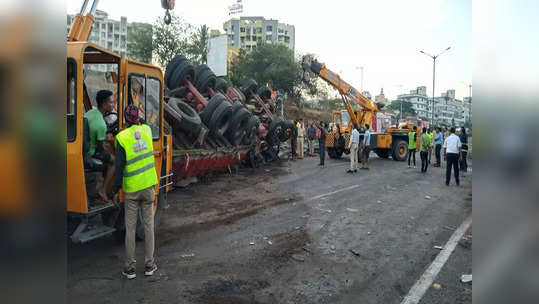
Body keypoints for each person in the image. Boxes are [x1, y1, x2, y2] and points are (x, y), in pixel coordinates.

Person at [112, 104, 158, 280]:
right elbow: (143, 121)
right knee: (148, 227)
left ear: (124, 120)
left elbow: (118, 167)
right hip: (148, 188)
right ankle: (149, 265)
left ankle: (130, 268)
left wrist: (116, 190)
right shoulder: (146, 130)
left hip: (131, 191)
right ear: (139, 118)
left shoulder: (121, 138)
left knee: (130, 229)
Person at [85, 90, 116, 203]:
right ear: (104, 104)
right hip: (92, 152)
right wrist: (106, 139)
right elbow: (100, 149)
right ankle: (103, 190)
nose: (113, 105)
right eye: (111, 103)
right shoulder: (101, 125)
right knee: (114, 161)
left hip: (84, 149)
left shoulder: (90, 113)